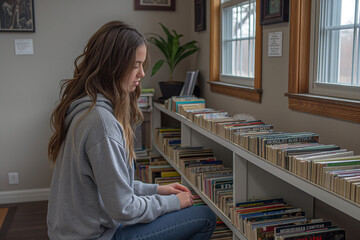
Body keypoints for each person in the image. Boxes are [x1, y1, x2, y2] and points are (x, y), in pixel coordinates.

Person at [47, 21, 216, 240]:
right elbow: (124, 209)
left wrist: (157, 190)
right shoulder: (101, 123)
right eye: (136, 65)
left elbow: (112, 186)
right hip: (95, 237)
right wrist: (173, 202)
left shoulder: (83, 107)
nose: (143, 73)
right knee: (204, 217)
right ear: (113, 66)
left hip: (70, 234)